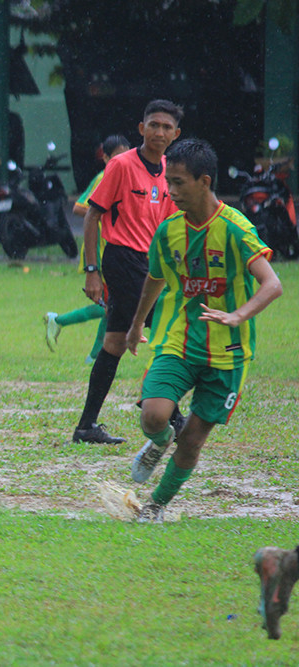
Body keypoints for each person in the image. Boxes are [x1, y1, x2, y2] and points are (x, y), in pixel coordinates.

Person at [125, 138, 282, 523]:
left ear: (204, 181)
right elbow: (155, 279)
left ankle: (154, 508)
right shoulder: (169, 231)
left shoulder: (235, 229)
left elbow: (272, 284)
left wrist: (237, 315)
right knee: (154, 416)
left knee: (193, 439)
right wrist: (135, 327)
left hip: (228, 355)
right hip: (179, 341)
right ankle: (158, 443)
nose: (171, 191)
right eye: (168, 182)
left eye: (178, 183)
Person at [72, 99, 183, 445]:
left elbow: (167, 224)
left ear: (176, 134)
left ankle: (85, 427)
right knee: (165, 327)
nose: (159, 132)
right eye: (154, 125)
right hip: (121, 260)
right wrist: (92, 270)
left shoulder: (171, 170)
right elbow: (92, 216)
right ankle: (172, 414)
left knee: (115, 343)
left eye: (167, 127)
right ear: (141, 128)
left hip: (151, 263)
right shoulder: (120, 165)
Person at [44, 134, 130, 362]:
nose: (122, 162)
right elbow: (80, 207)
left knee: (113, 307)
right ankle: (63, 324)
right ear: (105, 158)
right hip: (100, 253)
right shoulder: (104, 177)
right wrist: (105, 213)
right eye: (116, 157)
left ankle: (93, 354)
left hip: (118, 252)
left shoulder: (127, 178)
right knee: (111, 307)